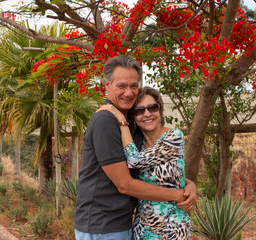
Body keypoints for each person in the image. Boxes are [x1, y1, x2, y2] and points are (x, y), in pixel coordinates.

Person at [74, 55, 196, 240]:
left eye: (133, 86)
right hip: (102, 226)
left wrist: (190, 186)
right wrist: (178, 195)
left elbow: (155, 172)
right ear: (107, 86)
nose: (128, 93)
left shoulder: (132, 126)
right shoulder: (105, 120)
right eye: (121, 86)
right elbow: (125, 184)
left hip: (125, 225)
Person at [97, 86, 192, 239]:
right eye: (139, 110)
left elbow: (135, 162)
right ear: (134, 117)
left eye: (152, 108)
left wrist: (121, 120)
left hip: (173, 227)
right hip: (143, 229)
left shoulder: (173, 136)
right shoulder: (137, 144)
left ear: (160, 110)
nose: (147, 114)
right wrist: (190, 184)